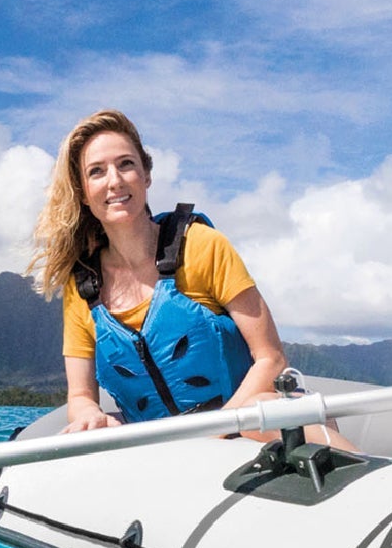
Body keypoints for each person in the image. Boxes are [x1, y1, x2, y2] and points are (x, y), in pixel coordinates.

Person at [30, 109, 312, 436]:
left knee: (260, 409)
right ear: (82, 192)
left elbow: (271, 358)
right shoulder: (82, 285)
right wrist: (90, 413)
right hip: (162, 450)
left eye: (126, 164)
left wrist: (218, 433)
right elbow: (80, 395)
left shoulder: (202, 245)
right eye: (97, 171)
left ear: (146, 175)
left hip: (247, 427)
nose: (115, 181)